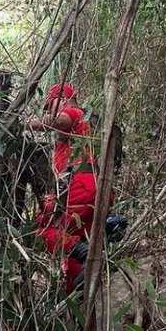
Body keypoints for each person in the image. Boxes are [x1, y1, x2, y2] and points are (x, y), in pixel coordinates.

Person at [28, 83, 99, 293]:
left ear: (64, 97)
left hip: (78, 184)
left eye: (51, 105)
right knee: (70, 242)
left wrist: (25, 123)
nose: (49, 110)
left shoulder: (74, 112)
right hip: (91, 188)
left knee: (40, 228)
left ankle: (86, 254)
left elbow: (60, 120)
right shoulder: (87, 125)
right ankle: (78, 287)